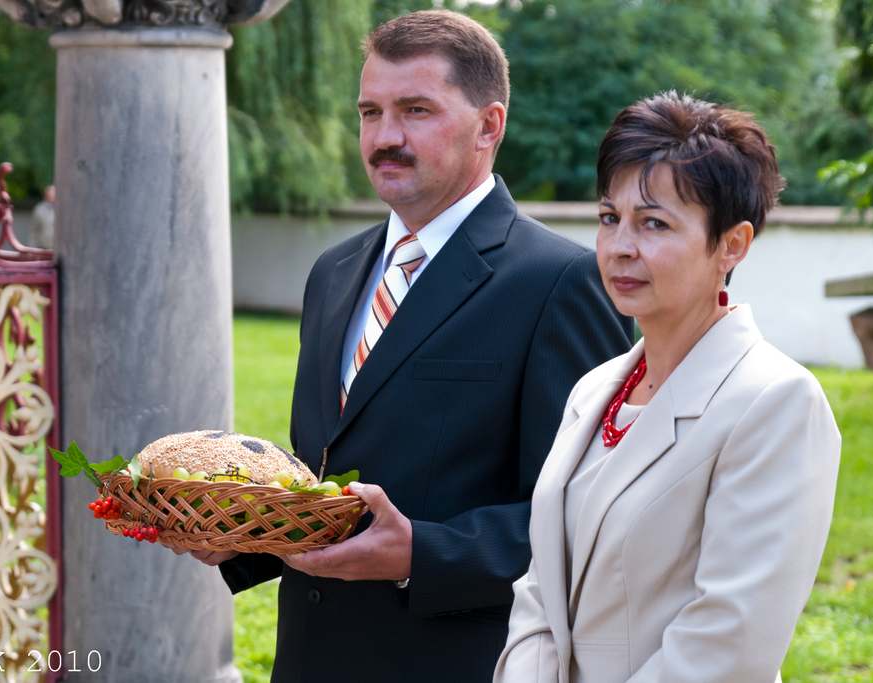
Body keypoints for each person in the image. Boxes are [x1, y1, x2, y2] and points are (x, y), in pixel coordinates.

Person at [188, 10, 631, 682]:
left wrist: (421, 553)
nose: (384, 137)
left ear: (490, 125)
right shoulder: (333, 272)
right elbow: (327, 480)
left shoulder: (562, 282)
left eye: (415, 110)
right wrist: (243, 532)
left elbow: (591, 519)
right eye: (370, 112)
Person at [494, 92, 841, 683]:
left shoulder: (776, 402)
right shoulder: (594, 390)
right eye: (611, 218)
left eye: (654, 223)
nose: (622, 247)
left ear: (732, 245)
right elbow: (538, 591)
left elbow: (729, 642)